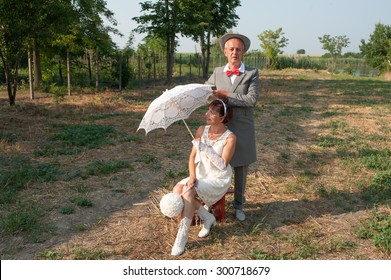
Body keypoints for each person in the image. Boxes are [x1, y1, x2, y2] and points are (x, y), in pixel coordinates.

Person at [170, 99, 236, 256]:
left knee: (188, 193)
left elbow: (222, 165)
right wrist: (192, 176)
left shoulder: (230, 137)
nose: (207, 114)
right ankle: (208, 218)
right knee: (178, 189)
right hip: (201, 173)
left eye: (212, 113)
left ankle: (182, 237)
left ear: (222, 117)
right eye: (208, 111)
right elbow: (192, 158)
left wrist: (206, 148)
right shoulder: (201, 130)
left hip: (217, 177)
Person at [206, 33, 260, 221]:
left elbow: (251, 100)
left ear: (243, 52)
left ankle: (239, 205)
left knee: (240, 168)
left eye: (238, 49)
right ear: (225, 51)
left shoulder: (251, 73)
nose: (234, 52)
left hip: (243, 128)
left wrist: (227, 95)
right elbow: (206, 90)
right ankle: (214, 201)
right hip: (221, 129)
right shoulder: (217, 72)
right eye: (231, 49)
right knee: (218, 165)